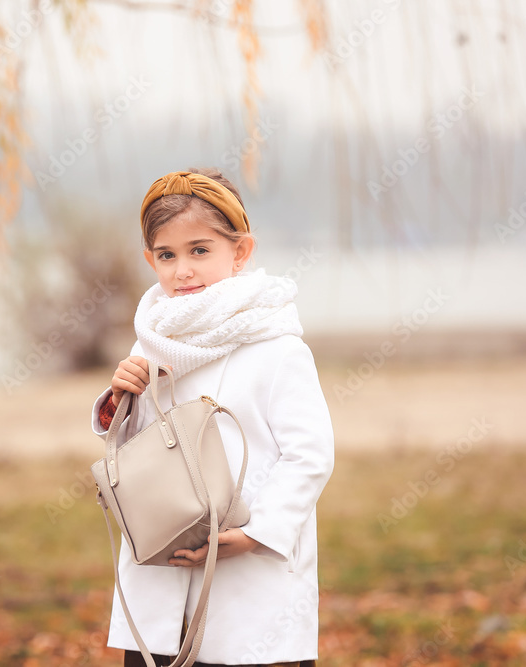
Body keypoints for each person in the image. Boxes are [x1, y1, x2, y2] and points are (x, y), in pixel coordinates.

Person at [89, 167, 335, 666]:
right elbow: (144, 451)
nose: (183, 270)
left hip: (247, 581)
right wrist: (119, 403)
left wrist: (256, 534)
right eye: (167, 255)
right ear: (150, 259)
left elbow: (309, 455)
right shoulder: (154, 341)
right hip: (161, 568)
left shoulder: (277, 347)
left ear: (240, 252)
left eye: (200, 250)